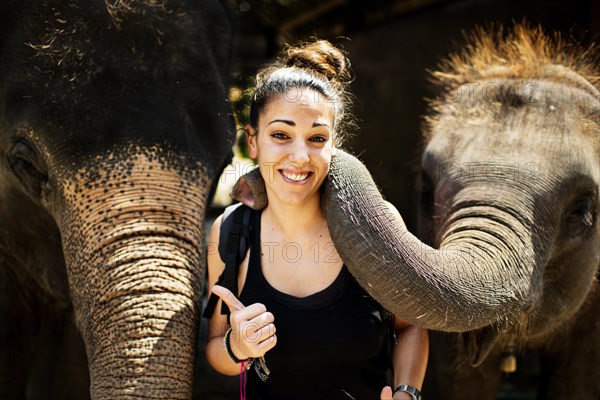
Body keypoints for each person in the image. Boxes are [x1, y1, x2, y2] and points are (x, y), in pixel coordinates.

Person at [204, 39, 428, 400]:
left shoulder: (376, 223)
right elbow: (216, 349)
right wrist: (237, 347)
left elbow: (410, 325)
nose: (299, 155)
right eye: (280, 135)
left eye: (316, 138)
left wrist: (406, 393)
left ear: (333, 145)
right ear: (253, 141)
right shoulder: (231, 232)